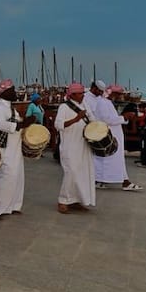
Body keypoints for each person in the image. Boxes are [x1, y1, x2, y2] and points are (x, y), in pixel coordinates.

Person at [0, 79, 30, 219]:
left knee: (16, 177)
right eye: (12, 90)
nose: (15, 93)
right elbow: (0, 123)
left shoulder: (9, 106)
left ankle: (12, 205)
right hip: (3, 148)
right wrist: (21, 125)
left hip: (14, 148)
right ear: (4, 92)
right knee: (3, 177)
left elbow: (13, 122)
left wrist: (24, 123)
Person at [93, 85, 142, 191]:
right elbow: (106, 119)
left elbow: (112, 119)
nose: (121, 96)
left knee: (113, 160)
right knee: (106, 160)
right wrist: (124, 117)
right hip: (108, 136)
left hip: (114, 135)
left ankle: (122, 181)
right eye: (119, 94)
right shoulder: (102, 103)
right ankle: (123, 181)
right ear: (113, 94)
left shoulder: (108, 103)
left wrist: (124, 118)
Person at [55, 83, 96, 213]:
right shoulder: (64, 107)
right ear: (72, 95)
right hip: (70, 145)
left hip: (84, 145)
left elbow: (93, 121)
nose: (83, 95)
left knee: (82, 172)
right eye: (80, 93)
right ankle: (63, 200)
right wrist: (76, 118)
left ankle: (76, 200)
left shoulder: (85, 105)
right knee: (71, 172)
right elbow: (58, 125)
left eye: (83, 93)